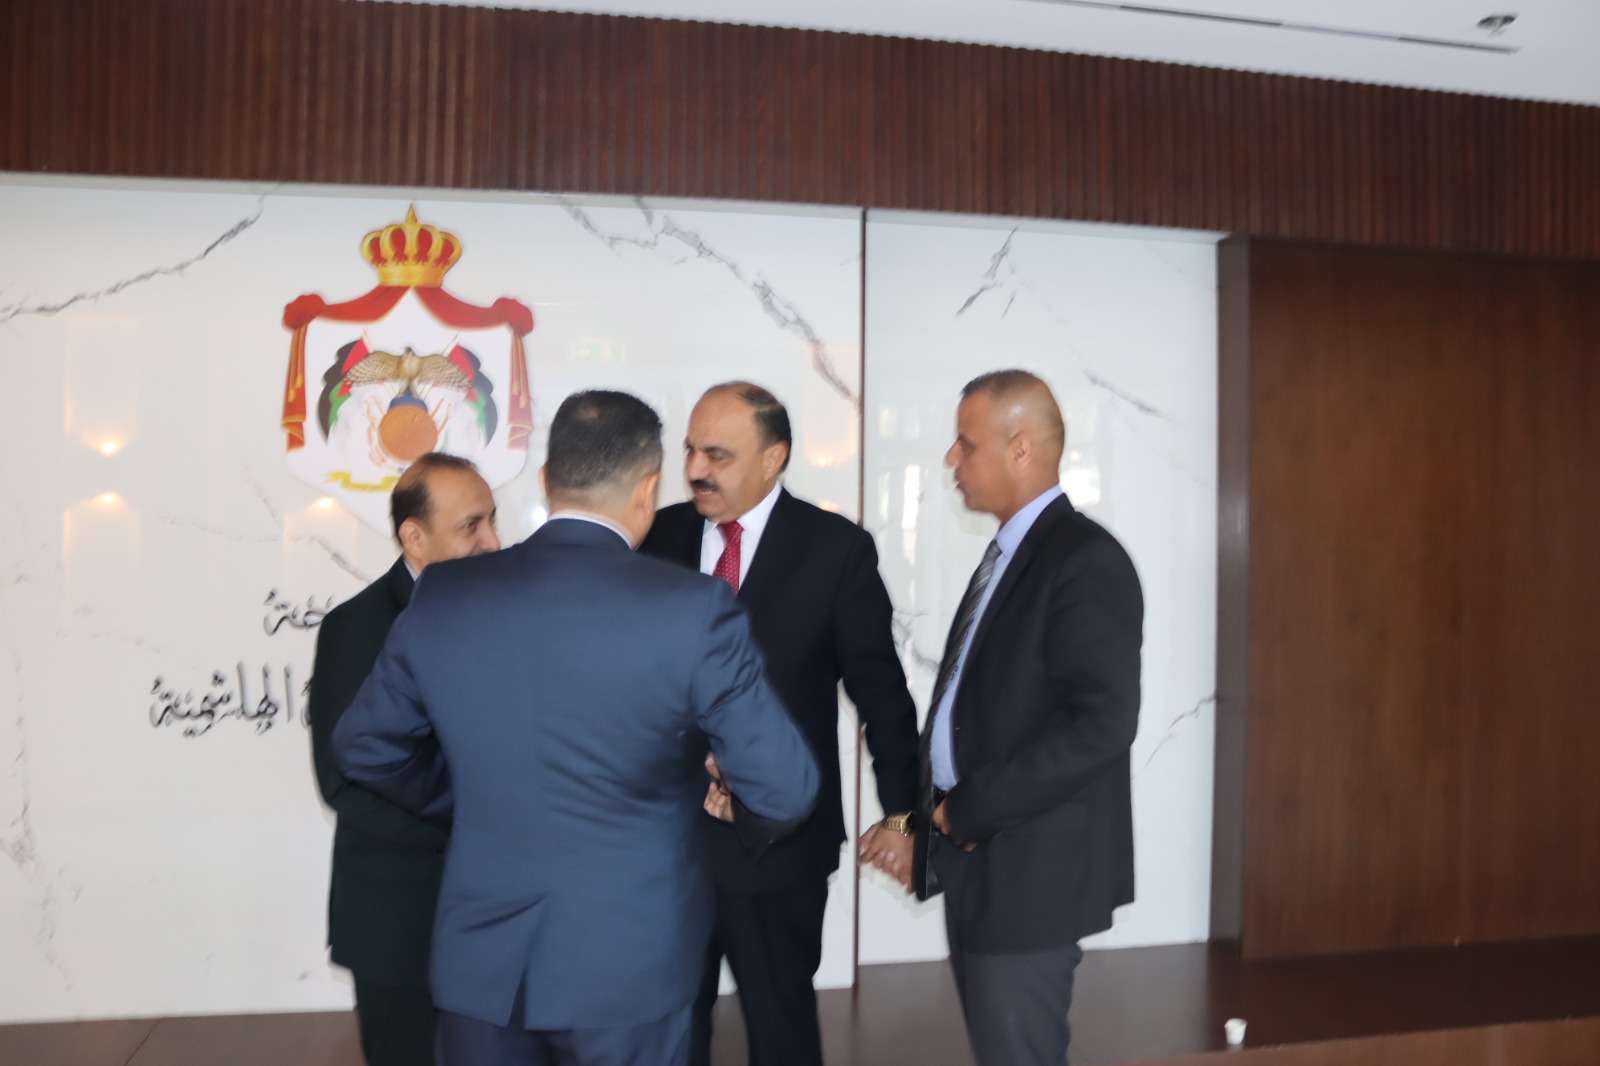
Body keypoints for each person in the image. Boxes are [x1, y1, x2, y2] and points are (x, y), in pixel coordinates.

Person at [333, 389, 820, 1066]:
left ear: (545, 479)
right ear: (646, 490)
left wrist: (463, 798)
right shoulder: (694, 609)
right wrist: (733, 803)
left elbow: (363, 746)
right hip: (629, 967)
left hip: (483, 966)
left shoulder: (443, 594)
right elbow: (787, 788)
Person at [639, 381, 920, 1066]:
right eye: (690, 451)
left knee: (781, 1031)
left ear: (775, 458)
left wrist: (902, 815)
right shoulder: (656, 537)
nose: (695, 470)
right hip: (664, 847)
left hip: (778, 849)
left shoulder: (835, 550)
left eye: (718, 455)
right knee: (663, 1036)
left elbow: (882, 694)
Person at [868, 370, 1143, 1065]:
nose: (950, 459)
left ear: (1021, 448)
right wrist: (923, 821)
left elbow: (1100, 726)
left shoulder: (1084, 559)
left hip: (1029, 873)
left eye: (966, 443)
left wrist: (962, 812)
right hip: (978, 859)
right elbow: (971, 710)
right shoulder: (1012, 554)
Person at [309, 452, 501, 1066]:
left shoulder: (507, 618)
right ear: (414, 537)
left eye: (492, 519)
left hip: (498, 922)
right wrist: (475, 824)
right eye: (471, 526)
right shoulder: (357, 629)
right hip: (401, 924)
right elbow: (343, 784)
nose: (493, 541)